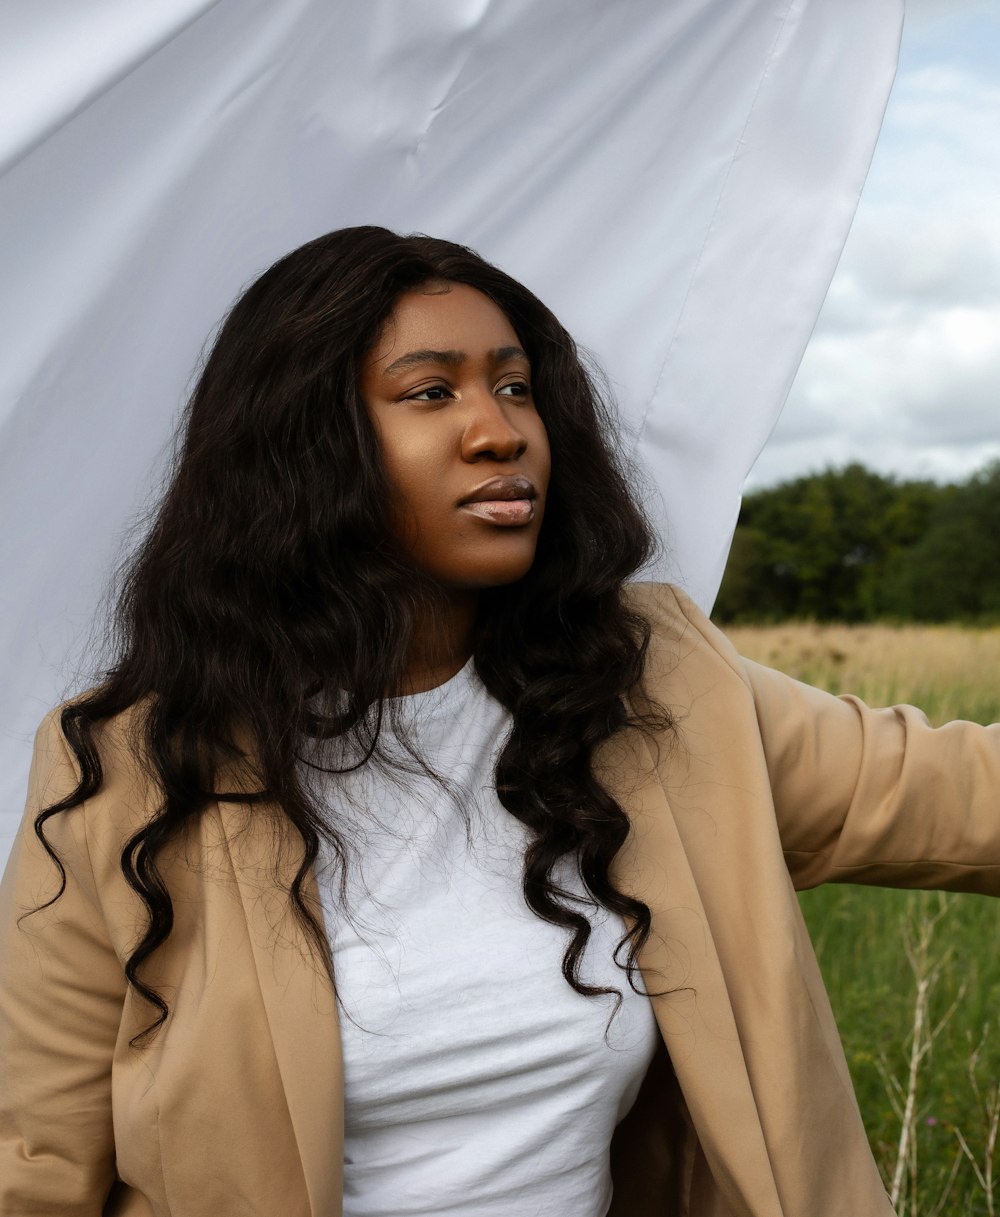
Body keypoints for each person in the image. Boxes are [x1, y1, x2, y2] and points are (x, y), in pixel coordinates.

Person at [1, 226, 998, 1217]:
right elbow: (35, 1154)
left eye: (514, 386)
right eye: (431, 391)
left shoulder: (652, 685)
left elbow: (952, 795)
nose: (499, 430)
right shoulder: (129, 763)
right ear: (303, 446)